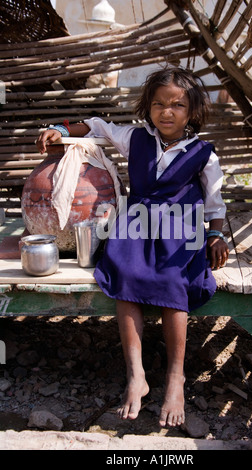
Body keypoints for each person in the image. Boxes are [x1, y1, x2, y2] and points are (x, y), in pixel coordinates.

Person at [36, 67, 229, 428]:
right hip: (137, 224)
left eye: (176, 105)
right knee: (124, 273)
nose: (166, 112)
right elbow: (96, 126)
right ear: (147, 106)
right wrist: (62, 129)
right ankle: (136, 374)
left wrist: (216, 236)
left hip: (180, 230)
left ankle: (175, 377)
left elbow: (216, 204)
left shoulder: (203, 153)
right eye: (158, 104)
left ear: (192, 111)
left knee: (174, 281)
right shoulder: (136, 138)